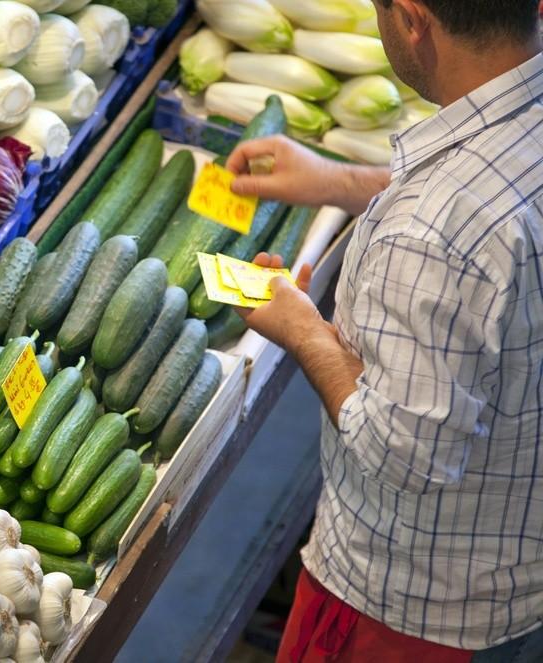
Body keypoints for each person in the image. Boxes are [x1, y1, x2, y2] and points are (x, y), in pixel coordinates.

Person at [225, 0, 543, 661]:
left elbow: (401, 454)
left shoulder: (431, 235)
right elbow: (489, 186)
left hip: (410, 617)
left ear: (411, 19)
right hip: (516, 571)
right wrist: (339, 181)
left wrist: (304, 329)